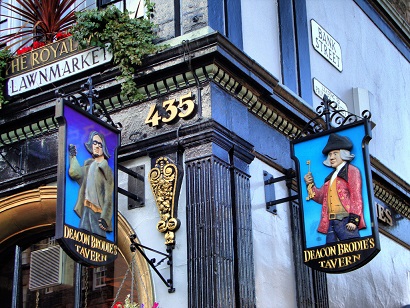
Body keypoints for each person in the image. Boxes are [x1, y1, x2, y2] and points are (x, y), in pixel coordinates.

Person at [304, 133, 366, 244]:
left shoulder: (351, 171)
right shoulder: (331, 177)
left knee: (353, 250)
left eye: (335, 153)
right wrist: (310, 184)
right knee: (332, 254)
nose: (331, 157)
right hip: (331, 221)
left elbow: (356, 196)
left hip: (346, 220)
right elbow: (320, 197)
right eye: (330, 154)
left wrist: (353, 220)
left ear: (343, 154)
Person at [68, 131, 114, 238]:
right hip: (86, 209)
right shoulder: (89, 166)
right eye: (94, 143)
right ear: (91, 145)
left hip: (98, 214)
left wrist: (105, 218)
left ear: (104, 148)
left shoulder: (106, 169)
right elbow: (75, 173)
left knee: (99, 243)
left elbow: (109, 197)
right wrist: (73, 156)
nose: (97, 146)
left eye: (100, 144)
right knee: (83, 241)